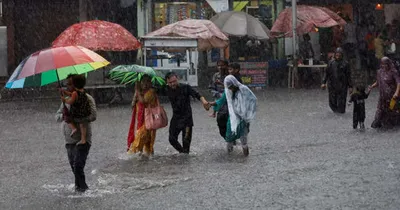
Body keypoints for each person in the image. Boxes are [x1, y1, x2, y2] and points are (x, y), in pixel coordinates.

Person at [55, 74, 97, 193]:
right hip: (69, 140)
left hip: (83, 139)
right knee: (74, 168)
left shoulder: (87, 98)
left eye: (70, 84)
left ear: (75, 84)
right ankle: (79, 189)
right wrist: (64, 116)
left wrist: (77, 119)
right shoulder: (66, 100)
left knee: (78, 166)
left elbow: (93, 115)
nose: (68, 86)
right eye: (67, 84)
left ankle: (83, 190)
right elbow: (57, 115)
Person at [210, 75, 257, 156]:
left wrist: (247, 110)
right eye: (229, 87)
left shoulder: (244, 89)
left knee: (244, 139)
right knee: (229, 138)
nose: (231, 89)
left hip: (243, 118)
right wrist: (211, 104)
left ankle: (246, 157)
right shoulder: (227, 91)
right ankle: (230, 158)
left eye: (231, 87)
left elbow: (253, 99)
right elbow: (221, 101)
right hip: (233, 118)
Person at [164, 72, 210, 154]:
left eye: (174, 81)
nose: (173, 84)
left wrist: (204, 102)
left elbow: (197, 94)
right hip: (176, 118)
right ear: (167, 82)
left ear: (177, 79)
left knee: (186, 142)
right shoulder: (166, 89)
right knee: (172, 139)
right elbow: (153, 91)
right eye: (170, 83)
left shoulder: (185, 87)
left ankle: (185, 156)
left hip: (187, 120)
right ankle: (182, 153)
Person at [126, 75, 159, 156]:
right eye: (143, 82)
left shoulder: (151, 92)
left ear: (151, 83)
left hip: (148, 123)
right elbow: (133, 106)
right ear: (140, 83)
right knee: (147, 145)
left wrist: (137, 91)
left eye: (147, 81)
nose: (145, 84)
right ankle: (146, 161)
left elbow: (144, 102)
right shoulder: (140, 92)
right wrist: (135, 97)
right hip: (141, 122)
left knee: (138, 142)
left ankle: (131, 157)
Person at [369, 57, 400, 129]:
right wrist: (372, 86)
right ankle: (379, 123)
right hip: (383, 96)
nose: (384, 66)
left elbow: (398, 83)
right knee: (380, 111)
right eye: (382, 64)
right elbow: (378, 82)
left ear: (389, 64)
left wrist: (396, 93)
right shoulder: (380, 72)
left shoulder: (393, 72)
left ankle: (392, 124)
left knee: (392, 111)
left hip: (392, 96)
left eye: (386, 64)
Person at [61, 74, 91, 145]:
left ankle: (74, 129)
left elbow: (71, 101)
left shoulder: (75, 93)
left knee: (67, 117)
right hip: (84, 112)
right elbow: (72, 94)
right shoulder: (83, 91)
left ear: (74, 84)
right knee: (83, 126)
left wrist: (64, 100)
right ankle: (83, 139)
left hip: (77, 113)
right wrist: (65, 92)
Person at [321, 47, 353, 113]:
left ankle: (340, 113)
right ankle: (335, 113)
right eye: (337, 55)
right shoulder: (331, 63)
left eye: (339, 55)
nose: (338, 57)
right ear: (335, 55)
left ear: (342, 55)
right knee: (332, 102)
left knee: (342, 104)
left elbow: (348, 76)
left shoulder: (345, 64)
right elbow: (326, 73)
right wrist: (323, 82)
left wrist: (350, 86)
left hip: (342, 85)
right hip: (332, 85)